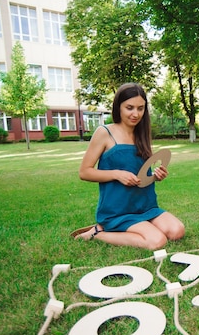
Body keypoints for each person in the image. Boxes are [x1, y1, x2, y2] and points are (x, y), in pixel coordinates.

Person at [71, 83, 185, 249]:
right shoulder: (104, 132)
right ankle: (98, 233)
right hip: (118, 211)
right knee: (157, 241)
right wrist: (116, 174)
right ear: (118, 107)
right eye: (129, 108)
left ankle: (134, 227)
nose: (135, 114)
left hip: (145, 207)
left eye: (140, 108)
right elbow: (84, 172)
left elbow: (140, 172)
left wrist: (156, 175)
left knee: (177, 231)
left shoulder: (142, 134)